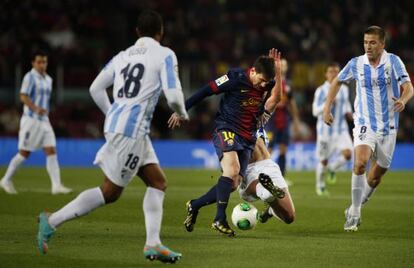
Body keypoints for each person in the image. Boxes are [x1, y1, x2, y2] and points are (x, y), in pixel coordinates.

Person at [36, 10, 189, 263]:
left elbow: (95, 88)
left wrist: (113, 114)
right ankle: (51, 221)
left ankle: (153, 244)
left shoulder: (122, 56)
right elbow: (173, 96)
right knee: (110, 192)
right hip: (131, 132)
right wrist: (182, 113)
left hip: (127, 128)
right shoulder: (165, 54)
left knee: (158, 182)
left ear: (137, 32)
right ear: (160, 32)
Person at [169, 49, 282, 237]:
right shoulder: (235, 77)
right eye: (261, 80)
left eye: (266, 82)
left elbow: (264, 101)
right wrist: (182, 110)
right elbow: (206, 91)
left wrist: (262, 111)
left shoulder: (268, 83)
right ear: (253, 71)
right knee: (232, 169)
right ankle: (219, 219)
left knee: (233, 183)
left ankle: (194, 205)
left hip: (248, 137)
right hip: (227, 129)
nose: (263, 85)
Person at [323, 26, 413, 232]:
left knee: (374, 177)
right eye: (365, 42)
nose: (368, 46)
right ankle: (354, 214)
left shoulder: (394, 61)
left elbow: (409, 88)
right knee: (360, 163)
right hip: (364, 123)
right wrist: (327, 107)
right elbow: (337, 81)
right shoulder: (356, 63)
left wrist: (403, 100)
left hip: (389, 127)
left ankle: (356, 205)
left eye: (373, 42)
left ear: (382, 44)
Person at [0, 51, 72, 195]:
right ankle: (6, 180)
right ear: (33, 63)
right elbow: (22, 96)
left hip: (45, 121)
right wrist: (35, 108)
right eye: (39, 62)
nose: (42, 65)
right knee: (24, 154)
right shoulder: (29, 77)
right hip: (31, 120)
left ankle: (56, 186)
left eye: (44, 62)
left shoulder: (49, 79)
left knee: (51, 151)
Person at [239, 127, 295, 224]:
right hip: (248, 170)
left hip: (268, 166)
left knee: (289, 218)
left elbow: (269, 111)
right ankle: (267, 193)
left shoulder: (259, 120)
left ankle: (270, 207)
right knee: (261, 188)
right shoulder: (231, 127)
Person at [312, 63, 353, 196]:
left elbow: (346, 105)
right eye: (331, 71)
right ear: (326, 74)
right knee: (323, 160)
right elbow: (314, 111)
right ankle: (320, 185)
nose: (334, 74)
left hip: (341, 129)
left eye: (336, 71)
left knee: (348, 154)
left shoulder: (344, 89)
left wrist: (349, 113)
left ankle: (332, 168)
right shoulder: (321, 91)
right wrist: (327, 105)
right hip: (325, 132)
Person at [265, 58, 301, 185]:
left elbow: (291, 103)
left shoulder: (288, 84)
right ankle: (264, 175)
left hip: (284, 119)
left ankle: (281, 178)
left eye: (284, 64)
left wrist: (296, 121)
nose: (283, 66)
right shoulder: (270, 81)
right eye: (280, 64)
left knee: (283, 149)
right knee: (268, 150)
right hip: (271, 119)